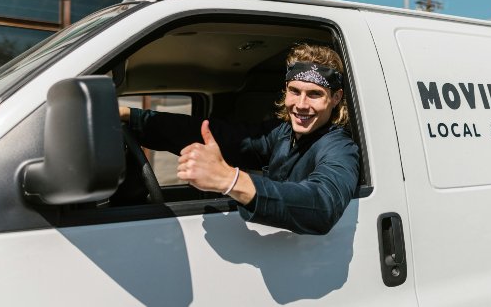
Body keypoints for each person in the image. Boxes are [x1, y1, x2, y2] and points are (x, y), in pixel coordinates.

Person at [120, 44, 359, 235]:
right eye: (295, 91)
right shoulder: (282, 133)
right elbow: (224, 136)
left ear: (336, 98)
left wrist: (230, 180)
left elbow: (323, 204)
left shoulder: (339, 146)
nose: (301, 104)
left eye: (315, 94)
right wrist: (134, 118)